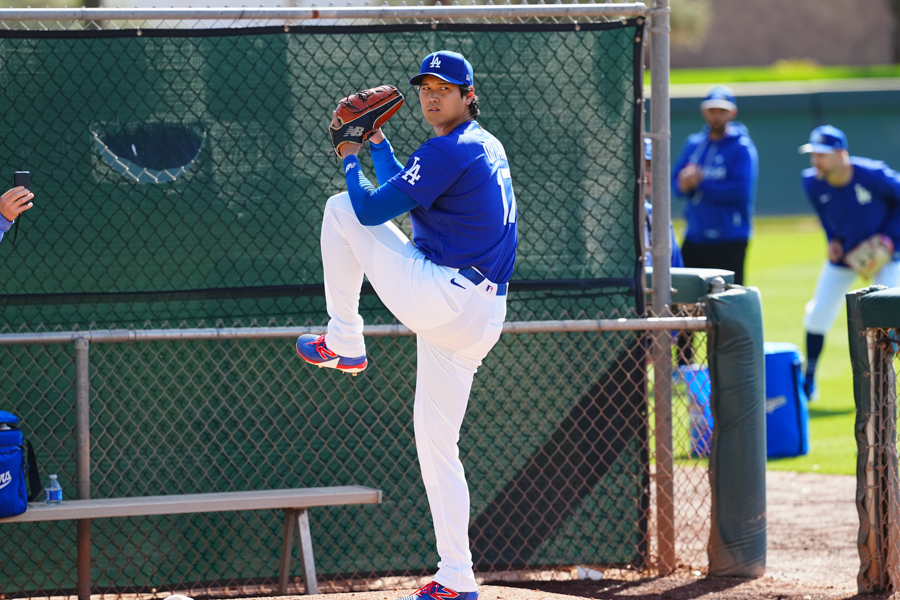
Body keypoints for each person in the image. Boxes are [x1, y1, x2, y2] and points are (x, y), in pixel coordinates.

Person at [296, 51, 517, 600]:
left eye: (445, 87)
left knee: (339, 209)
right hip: (480, 314)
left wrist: (350, 156)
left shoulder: (449, 148)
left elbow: (371, 211)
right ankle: (457, 576)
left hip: (447, 297)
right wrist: (378, 144)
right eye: (425, 87)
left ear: (468, 95)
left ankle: (345, 339)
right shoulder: (480, 144)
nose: (431, 95)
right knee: (437, 444)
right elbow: (408, 189)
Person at [798, 125, 900, 399]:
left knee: (889, 318)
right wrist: (832, 240)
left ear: (841, 154)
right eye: (813, 154)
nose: (815, 161)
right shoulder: (812, 182)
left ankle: (884, 386)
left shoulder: (872, 174)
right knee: (817, 314)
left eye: (822, 154)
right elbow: (826, 216)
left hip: (885, 254)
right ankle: (809, 380)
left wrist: (890, 238)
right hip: (846, 255)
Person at [671, 85, 758, 285]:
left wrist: (700, 184)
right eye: (712, 111)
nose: (716, 116)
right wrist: (684, 183)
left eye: (722, 111)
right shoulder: (694, 144)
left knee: (728, 297)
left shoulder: (741, 147)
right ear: (704, 112)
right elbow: (676, 185)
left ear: (732, 113)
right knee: (686, 296)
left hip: (729, 238)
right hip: (695, 236)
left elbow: (740, 191)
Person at [643, 137, 683, 269]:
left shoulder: (658, 218)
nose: (646, 175)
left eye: (650, 167)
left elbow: (677, 274)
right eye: (640, 167)